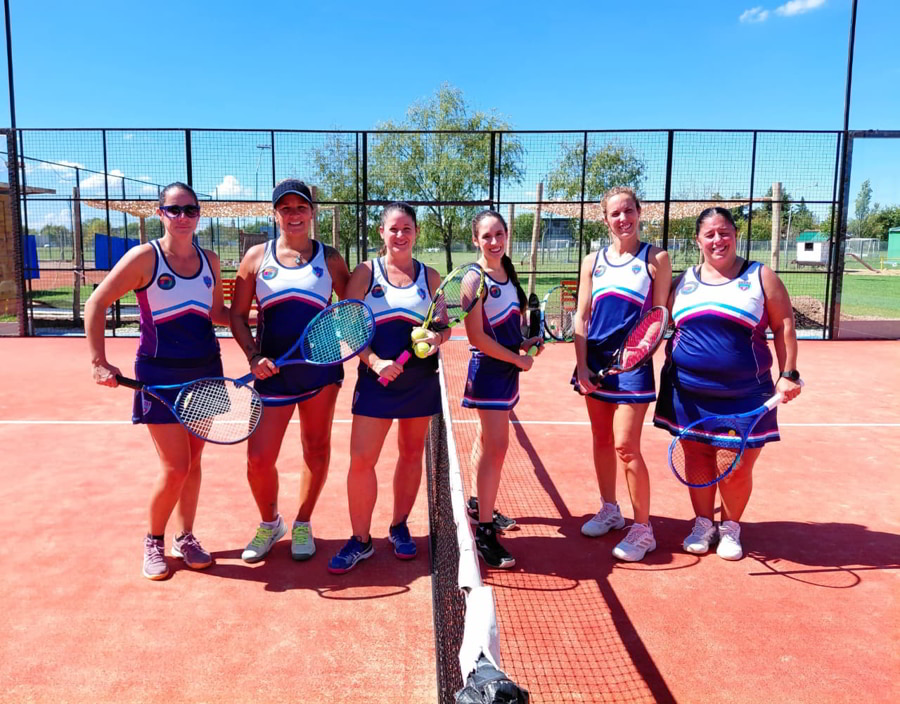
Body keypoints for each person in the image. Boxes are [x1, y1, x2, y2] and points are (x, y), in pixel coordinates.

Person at [85, 182, 229, 580]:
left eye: (190, 210)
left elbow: (216, 312)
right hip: (159, 376)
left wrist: (254, 319)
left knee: (194, 463)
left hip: (205, 371)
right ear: (160, 213)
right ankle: (154, 540)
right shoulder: (144, 258)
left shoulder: (210, 260)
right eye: (174, 210)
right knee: (175, 467)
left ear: (199, 214)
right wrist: (98, 361)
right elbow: (96, 303)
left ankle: (186, 537)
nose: (183, 217)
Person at [653, 207, 802, 560]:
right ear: (698, 240)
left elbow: (783, 325)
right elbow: (659, 323)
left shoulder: (760, 276)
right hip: (687, 393)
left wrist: (789, 373)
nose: (718, 240)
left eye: (724, 233)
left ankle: (731, 526)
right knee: (697, 461)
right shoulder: (682, 281)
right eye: (710, 234)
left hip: (745, 394)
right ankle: (703, 524)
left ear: (735, 235)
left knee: (733, 467)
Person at [230, 179, 350, 563]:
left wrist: (338, 342)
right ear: (275, 214)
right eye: (286, 208)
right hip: (272, 376)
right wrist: (253, 358)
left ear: (312, 212)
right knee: (258, 459)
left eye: (301, 207)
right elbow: (237, 317)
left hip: (320, 373)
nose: (294, 215)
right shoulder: (256, 257)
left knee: (316, 448)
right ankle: (270, 523)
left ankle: (303, 522)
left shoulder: (331, 259)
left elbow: (352, 310)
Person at [327, 202, 446, 574]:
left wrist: (436, 339)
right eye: (393, 228)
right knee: (362, 461)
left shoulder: (431, 276)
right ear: (381, 232)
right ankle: (360, 539)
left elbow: (443, 325)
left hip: (419, 382)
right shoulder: (365, 273)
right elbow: (347, 327)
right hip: (375, 383)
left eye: (407, 228)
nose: (400, 235)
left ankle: (399, 527)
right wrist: (374, 361)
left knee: (411, 454)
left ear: (416, 232)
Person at [573, 187, 672, 562]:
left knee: (626, 446)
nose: (623, 218)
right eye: (615, 213)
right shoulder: (592, 261)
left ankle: (643, 529)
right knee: (601, 439)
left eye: (628, 211)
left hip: (633, 366)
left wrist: (636, 356)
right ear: (605, 219)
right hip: (595, 361)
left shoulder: (656, 258)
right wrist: (582, 366)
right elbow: (582, 315)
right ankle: (610, 510)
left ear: (639, 213)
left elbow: (659, 318)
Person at [462, 210, 541, 569]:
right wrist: (516, 358)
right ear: (475, 240)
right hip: (489, 373)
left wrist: (524, 344)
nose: (494, 242)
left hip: (507, 369)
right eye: (486, 236)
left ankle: (479, 504)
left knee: (486, 441)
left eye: (499, 234)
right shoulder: (473, 278)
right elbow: (476, 337)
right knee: (497, 448)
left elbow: (507, 328)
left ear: (507, 235)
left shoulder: (508, 274)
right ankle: (484, 533)